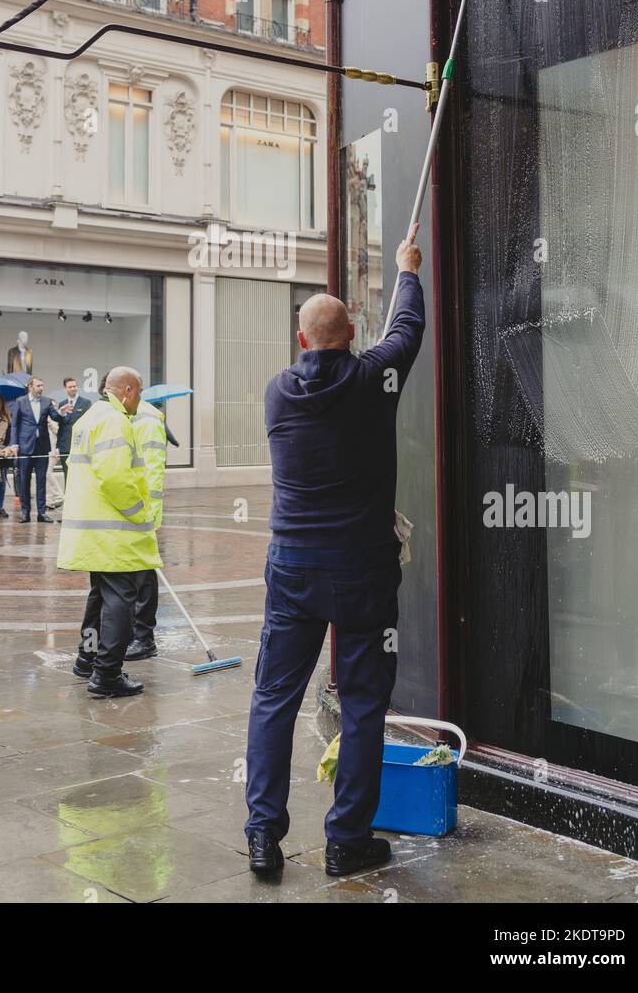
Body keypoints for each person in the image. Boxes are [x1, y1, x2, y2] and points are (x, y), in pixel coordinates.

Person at [245, 226, 425, 879]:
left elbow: (388, 343)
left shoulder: (277, 393)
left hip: (292, 569)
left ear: (300, 342)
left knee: (273, 698)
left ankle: (264, 838)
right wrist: (406, 270)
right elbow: (406, 331)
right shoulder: (374, 380)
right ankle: (347, 840)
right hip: (363, 572)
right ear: (351, 337)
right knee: (364, 702)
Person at [58, 366, 161, 698]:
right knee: (120, 602)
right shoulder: (116, 420)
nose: (140, 399)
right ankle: (106, 673)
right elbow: (116, 478)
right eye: (140, 392)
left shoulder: (88, 417)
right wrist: (139, 514)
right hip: (112, 533)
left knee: (99, 597)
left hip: (91, 530)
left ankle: (86, 658)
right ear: (127, 391)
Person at [127, 396, 169, 661]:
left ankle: (144, 638)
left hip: (141, 511)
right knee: (132, 575)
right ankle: (133, 633)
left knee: (143, 576)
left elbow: (153, 471)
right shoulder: (126, 416)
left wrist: (146, 514)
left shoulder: (147, 420)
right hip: (129, 509)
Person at [8, 377, 58, 523]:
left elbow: (55, 417)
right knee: (24, 481)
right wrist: (14, 444)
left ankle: (41, 513)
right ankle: (25, 513)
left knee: (41, 480)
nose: (41, 388)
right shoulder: (20, 401)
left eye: (42, 385)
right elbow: (15, 425)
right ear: (30, 387)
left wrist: (60, 412)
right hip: (25, 447)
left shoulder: (47, 401)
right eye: (38, 385)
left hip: (42, 446)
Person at [54, 376, 91, 481]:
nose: (73, 388)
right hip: (65, 446)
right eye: (70, 387)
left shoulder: (85, 403)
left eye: (74, 386)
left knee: (80, 475)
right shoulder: (62, 404)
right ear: (65, 389)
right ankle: (68, 497)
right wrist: (57, 447)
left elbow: (88, 424)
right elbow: (60, 426)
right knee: (67, 474)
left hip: (80, 445)